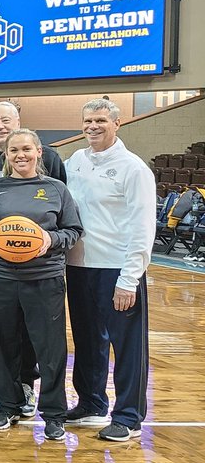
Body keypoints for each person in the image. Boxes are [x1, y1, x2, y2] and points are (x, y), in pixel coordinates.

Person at [0, 129, 82, 441]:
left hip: (44, 279)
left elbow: (74, 229)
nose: (20, 155)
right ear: (5, 156)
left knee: (50, 349)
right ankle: (7, 404)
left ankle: (53, 412)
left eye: (26, 149)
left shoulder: (55, 189)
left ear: (38, 152)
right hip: (0, 279)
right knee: (3, 344)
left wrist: (51, 239)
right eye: (14, 151)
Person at [65, 99, 156, 442]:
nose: (93, 126)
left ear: (117, 124)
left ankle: (129, 416)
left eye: (101, 120)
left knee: (127, 345)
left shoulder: (134, 169)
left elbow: (144, 227)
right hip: (79, 268)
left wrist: (130, 277)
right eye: (88, 120)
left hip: (118, 270)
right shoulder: (75, 161)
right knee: (88, 340)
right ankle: (91, 402)